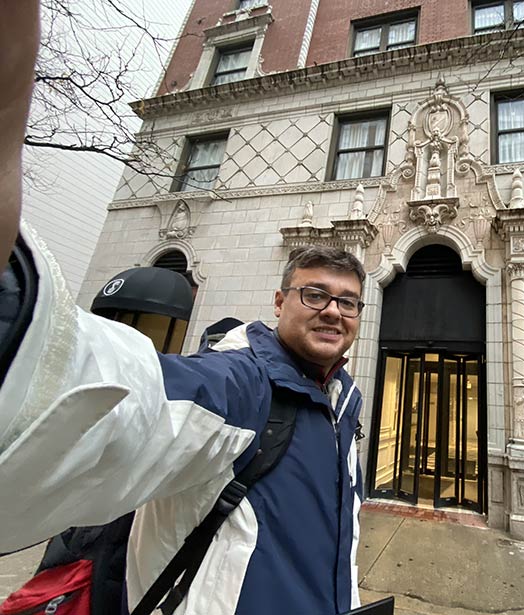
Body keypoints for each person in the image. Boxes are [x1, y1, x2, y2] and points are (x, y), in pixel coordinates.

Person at [0, 4, 368, 614]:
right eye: (314, 294)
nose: (333, 311)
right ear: (278, 302)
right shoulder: (238, 385)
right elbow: (117, 409)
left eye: (348, 302)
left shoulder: (343, 402)